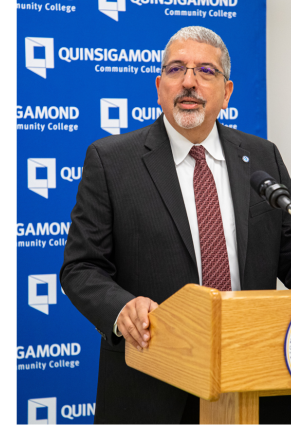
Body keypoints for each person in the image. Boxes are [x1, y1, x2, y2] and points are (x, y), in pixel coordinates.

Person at [60, 26, 291, 424]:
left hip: (253, 378)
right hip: (152, 385)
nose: (189, 82)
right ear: (159, 85)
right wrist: (122, 307)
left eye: (205, 71)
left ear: (227, 92)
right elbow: (81, 267)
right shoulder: (112, 161)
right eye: (176, 69)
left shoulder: (262, 156)